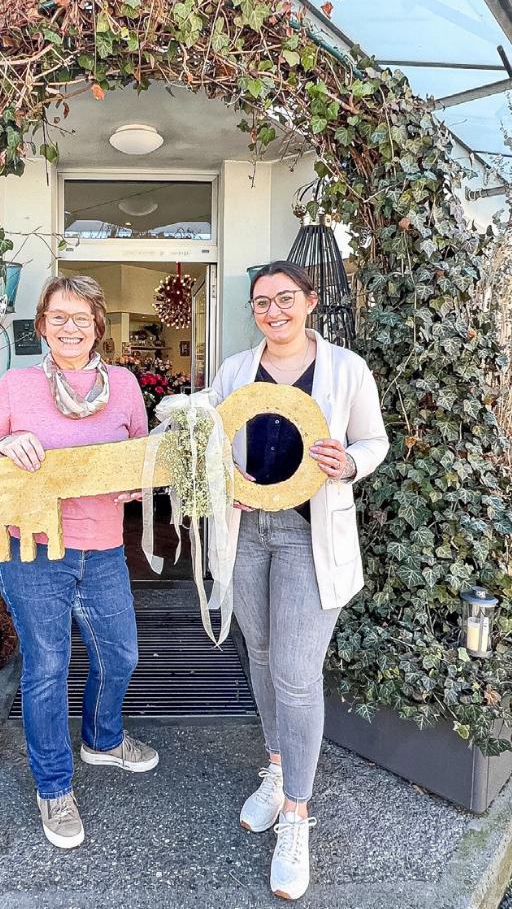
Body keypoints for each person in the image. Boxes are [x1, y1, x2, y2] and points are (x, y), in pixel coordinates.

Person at [211, 260, 389, 901]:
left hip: (308, 535)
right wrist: (216, 484)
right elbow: (208, 440)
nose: (274, 311)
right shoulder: (234, 370)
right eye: (262, 302)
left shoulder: (346, 368)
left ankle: (297, 816)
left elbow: (374, 441)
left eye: (286, 299)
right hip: (246, 531)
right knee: (259, 657)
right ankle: (277, 767)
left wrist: (351, 461)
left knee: (295, 671)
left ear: (310, 302)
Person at [0, 274, 158, 851]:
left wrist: (134, 487)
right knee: (47, 669)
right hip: (34, 550)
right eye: (58, 318)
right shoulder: (16, 386)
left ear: (98, 325)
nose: (69, 328)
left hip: (102, 547)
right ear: (42, 326)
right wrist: (3, 447)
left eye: (81, 318)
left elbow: (139, 459)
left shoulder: (124, 385)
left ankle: (102, 739)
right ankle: (53, 787)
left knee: (120, 652)